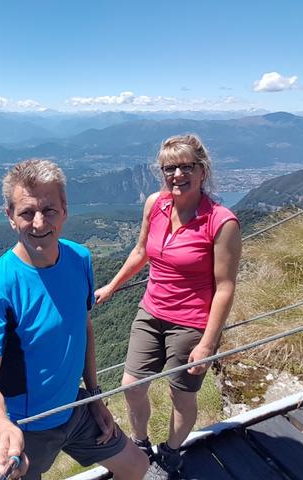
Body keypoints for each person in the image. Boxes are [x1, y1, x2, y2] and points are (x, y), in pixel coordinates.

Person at [0, 159, 149, 480]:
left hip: (77, 409)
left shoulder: (79, 258)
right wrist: (2, 428)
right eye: (26, 212)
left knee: (137, 467)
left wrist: (95, 397)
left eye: (49, 210)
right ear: (10, 217)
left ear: (65, 210)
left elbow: (83, 328)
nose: (39, 223)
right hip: (26, 428)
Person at [94, 135, 242, 480]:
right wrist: (112, 287)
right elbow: (141, 251)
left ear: (202, 170)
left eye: (186, 166)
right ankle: (141, 443)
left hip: (192, 323)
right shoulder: (155, 204)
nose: (177, 174)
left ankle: (171, 453)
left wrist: (207, 342)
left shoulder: (221, 222)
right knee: (131, 385)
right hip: (151, 311)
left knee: (182, 397)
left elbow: (225, 287)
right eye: (169, 168)